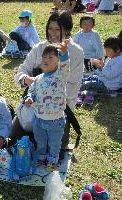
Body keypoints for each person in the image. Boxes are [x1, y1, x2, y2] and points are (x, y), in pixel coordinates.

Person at [11, 11, 84, 160]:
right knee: (13, 141)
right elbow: (21, 72)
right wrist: (27, 80)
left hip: (58, 112)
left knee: (55, 152)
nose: (53, 33)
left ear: (68, 30)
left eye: (58, 29)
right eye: (50, 28)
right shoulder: (40, 48)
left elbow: (73, 84)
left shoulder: (76, 52)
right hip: (33, 107)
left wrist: (49, 93)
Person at [24, 41, 69, 171]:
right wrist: (29, 98)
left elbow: (65, 66)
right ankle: (41, 157)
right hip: (38, 118)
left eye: (50, 57)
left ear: (58, 60)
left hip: (56, 120)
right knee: (41, 141)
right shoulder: (38, 78)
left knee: (54, 143)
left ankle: (52, 160)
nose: (46, 60)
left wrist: (64, 53)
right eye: (44, 57)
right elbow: (31, 91)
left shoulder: (60, 75)